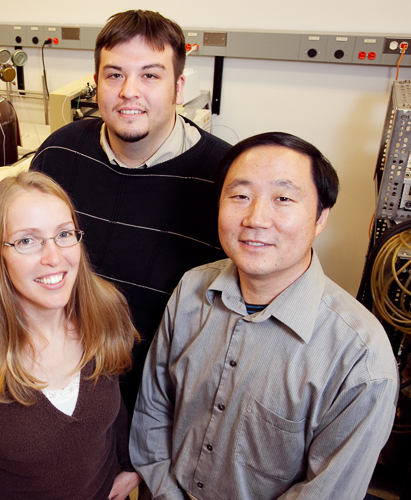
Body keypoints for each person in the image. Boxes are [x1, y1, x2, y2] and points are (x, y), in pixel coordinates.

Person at [130, 132, 398, 500]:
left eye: (283, 198)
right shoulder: (192, 290)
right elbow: (154, 409)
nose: (256, 218)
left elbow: (328, 491)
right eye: (240, 196)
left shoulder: (361, 358)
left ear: (320, 217)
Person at [31, 10, 231, 412]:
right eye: (115, 74)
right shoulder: (59, 153)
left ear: (178, 85)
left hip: (156, 403)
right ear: (97, 82)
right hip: (56, 380)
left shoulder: (221, 180)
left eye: (150, 75)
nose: (129, 91)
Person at [0, 171, 141, 500]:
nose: (54, 257)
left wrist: (128, 465)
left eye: (64, 234)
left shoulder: (107, 311)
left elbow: (115, 408)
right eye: (27, 240)